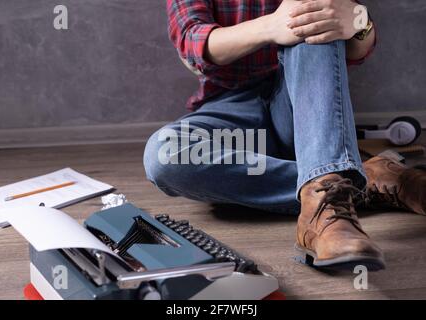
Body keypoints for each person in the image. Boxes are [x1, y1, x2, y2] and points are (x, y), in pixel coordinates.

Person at [143, 0, 426, 270]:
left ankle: (324, 212)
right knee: (165, 156)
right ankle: (350, 179)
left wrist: (357, 21)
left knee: (313, 17)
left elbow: (356, 42)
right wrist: (271, 26)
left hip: (305, 110)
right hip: (235, 119)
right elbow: (192, 44)